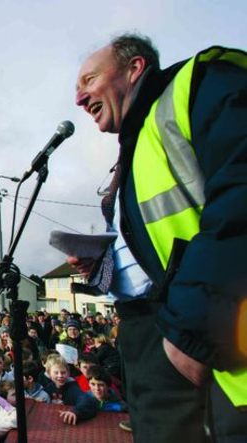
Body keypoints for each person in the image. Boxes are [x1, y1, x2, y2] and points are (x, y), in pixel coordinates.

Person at [72, 33, 247, 442]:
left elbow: (239, 195)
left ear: (134, 69)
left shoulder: (200, 85)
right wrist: (101, 268)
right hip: (148, 339)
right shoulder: (131, 154)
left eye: (89, 80)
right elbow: (153, 253)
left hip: (203, 334)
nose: (80, 99)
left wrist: (193, 330)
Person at [43, 356, 97, 426]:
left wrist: (75, 412)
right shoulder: (49, 387)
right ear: (49, 374)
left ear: (68, 373)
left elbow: (85, 400)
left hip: (70, 422)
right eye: (56, 373)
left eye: (63, 372)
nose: (60, 376)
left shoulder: (73, 388)